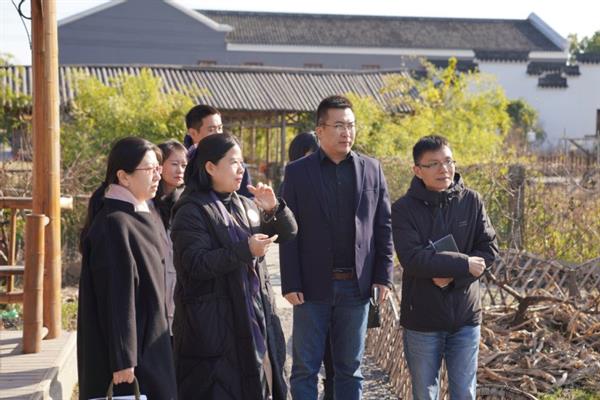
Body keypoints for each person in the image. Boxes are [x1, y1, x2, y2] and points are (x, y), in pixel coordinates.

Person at [280, 95, 395, 400]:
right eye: (339, 126)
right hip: (311, 287)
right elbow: (289, 232)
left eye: (351, 125)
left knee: (350, 369)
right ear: (320, 130)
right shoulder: (298, 172)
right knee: (305, 368)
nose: (347, 132)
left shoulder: (372, 169)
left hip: (356, 286)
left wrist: (383, 276)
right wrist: (291, 282)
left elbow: (383, 227)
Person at [170, 133, 297, 399]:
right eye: (233, 162)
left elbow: (288, 233)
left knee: (263, 386)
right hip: (214, 327)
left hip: (255, 317)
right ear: (210, 167)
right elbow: (195, 264)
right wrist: (245, 250)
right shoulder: (190, 210)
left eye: (241, 162)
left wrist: (274, 209)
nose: (241, 169)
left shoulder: (244, 204)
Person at [391, 135, 499, 400]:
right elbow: (412, 258)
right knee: (424, 393)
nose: (444, 169)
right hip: (422, 318)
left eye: (448, 161)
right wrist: (463, 264)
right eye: (434, 164)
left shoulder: (472, 201)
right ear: (417, 170)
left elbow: (488, 250)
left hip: (465, 316)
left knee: (464, 393)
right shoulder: (403, 209)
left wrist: (454, 278)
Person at [77, 137, 176, 400]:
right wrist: (123, 358)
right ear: (123, 176)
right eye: (150, 169)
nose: (158, 175)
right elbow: (116, 296)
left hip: (149, 343)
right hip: (129, 362)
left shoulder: (138, 215)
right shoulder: (114, 224)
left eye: (158, 168)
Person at [150, 139, 187, 336]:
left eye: (184, 165)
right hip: (155, 282)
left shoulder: (188, 201)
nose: (180, 170)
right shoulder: (146, 202)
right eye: (174, 164)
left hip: (180, 285)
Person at [184, 104, 253, 197]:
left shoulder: (235, 162)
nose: (218, 134)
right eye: (211, 130)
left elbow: (248, 196)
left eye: (220, 128)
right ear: (193, 133)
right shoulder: (182, 160)